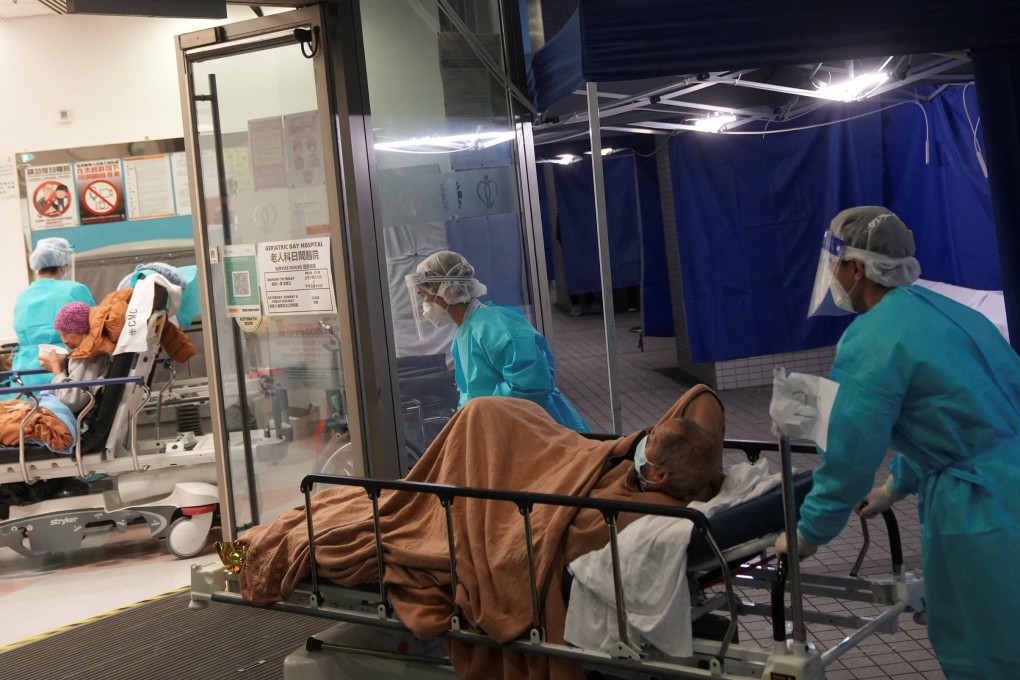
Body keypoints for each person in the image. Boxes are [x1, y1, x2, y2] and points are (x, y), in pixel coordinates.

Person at [775, 206, 1020, 679]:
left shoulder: (871, 339)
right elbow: (959, 421)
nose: (833, 274)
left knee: (986, 644)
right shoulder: (951, 313)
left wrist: (808, 534)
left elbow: (847, 460)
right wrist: (894, 488)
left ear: (857, 268)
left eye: (836, 263)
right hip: (1009, 478)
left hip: (981, 511)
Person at [409, 250, 591, 432]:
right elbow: (472, 392)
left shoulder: (497, 326)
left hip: (539, 431)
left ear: (446, 290)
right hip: (504, 428)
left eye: (423, 295)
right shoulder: (465, 330)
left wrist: (482, 414)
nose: (423, 304)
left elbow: (531, 385)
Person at [10, 238, 95, 388]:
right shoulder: (74, 290)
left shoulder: (23, 295)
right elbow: (96, 325)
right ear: (63, 265)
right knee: (59, 410)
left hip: (24, 372)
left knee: (29, 410)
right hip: (60, 367)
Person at [37, 301, 111, 415]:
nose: (64, 340)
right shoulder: (89, 353)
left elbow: (70, 401)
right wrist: (64, 365)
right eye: (61, 335)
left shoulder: (89, 357)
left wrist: (56, 370)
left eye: (67, 333)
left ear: (82, 331)